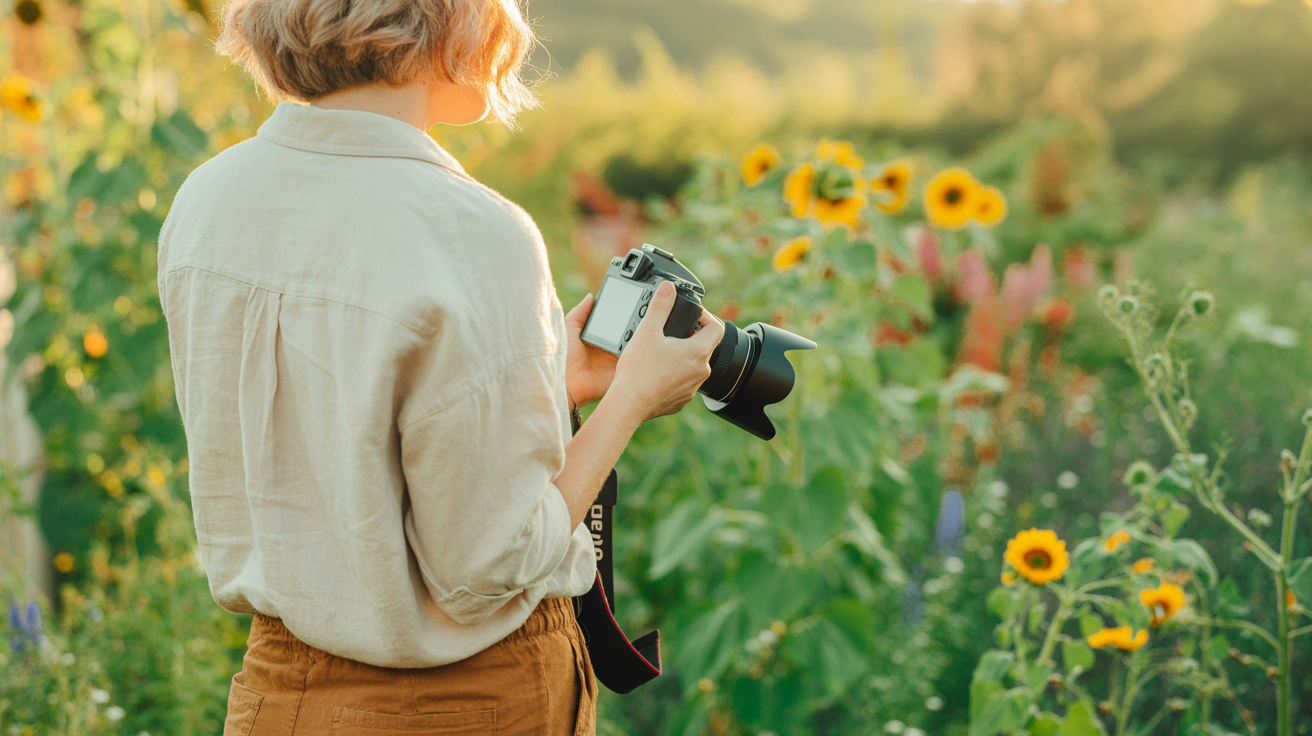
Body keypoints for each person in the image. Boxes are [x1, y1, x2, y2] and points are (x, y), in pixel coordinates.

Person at [157, 0, 724, 733]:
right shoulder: (471, 232)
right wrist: (629, 403)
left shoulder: (209, 200)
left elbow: (342, 442)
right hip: (471, 701)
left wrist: (556, 389)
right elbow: (487, 570)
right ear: (448, 19)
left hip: (279, 694)